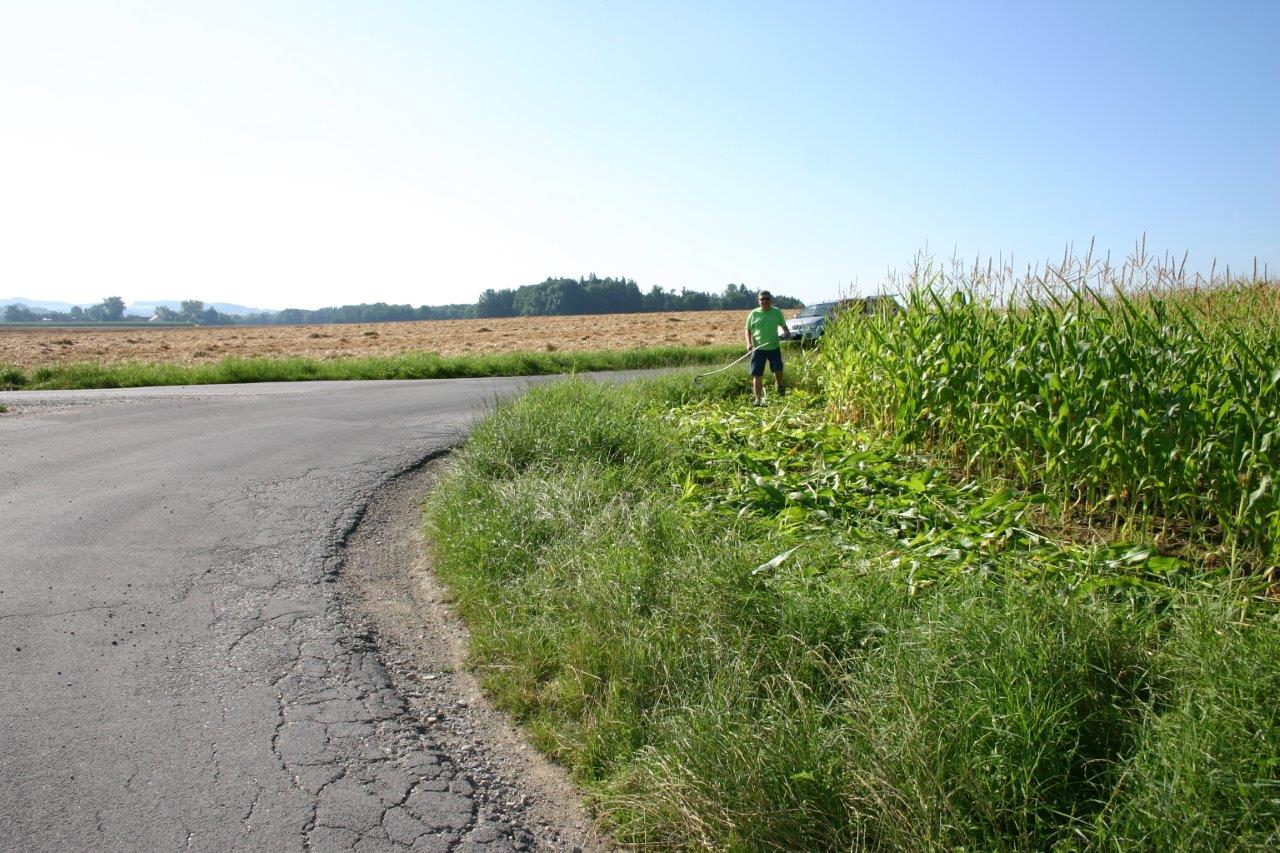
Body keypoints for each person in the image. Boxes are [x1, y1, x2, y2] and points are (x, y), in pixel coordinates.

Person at [744, 290, 790, 405]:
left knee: (778, 370)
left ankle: (778, 385)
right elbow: (748, 330)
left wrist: (786, 333)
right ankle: (758, 400)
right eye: (762, 299)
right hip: (758, 349)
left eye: (767, 299)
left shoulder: (776, 312)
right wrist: (749, 343)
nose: (764, 301)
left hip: (774, 348)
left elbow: (784, 327)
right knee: (757, 374)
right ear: (758, 301)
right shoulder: (754, 314)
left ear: (770, 300)